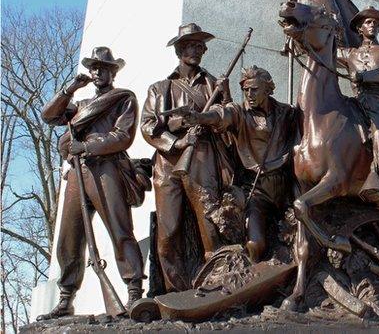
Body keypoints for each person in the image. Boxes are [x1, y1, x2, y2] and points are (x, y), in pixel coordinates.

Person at [37, 47, 145, 319]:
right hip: (77, 172)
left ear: (113, 72)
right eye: (94, 67)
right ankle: (66, 298)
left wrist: (84, 145)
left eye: (104, 67)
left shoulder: (123, 99)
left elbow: (123, 137)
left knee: (120, 229)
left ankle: (134, 291)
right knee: (69, 237)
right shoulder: (80, 107)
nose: (98, 72)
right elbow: (48, 115)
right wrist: (70, 88)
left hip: (107, 168)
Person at [140, 23, 233, 292]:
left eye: (200, 46)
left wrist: (225, 97)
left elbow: (228, 122)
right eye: (190, 45)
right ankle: (176, 291)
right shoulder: (160, 88)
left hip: (203, 157)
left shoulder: (213, 84)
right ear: (179, 50)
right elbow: (148, 125)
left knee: (210, 224)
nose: (196, 50)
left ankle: (217, 283)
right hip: (169, 162)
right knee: (168, 232)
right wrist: (177, 139)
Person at [185, 66, 301, 262]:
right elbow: (222, 115)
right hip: (257, 192)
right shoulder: (239, 112)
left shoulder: (286, 113)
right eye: (246, 90)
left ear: (268, 89)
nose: (249, 94)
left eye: (254, 89)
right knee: (255, 244)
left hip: (286, 188)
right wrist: (199, 118)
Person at [337, 6, 379, 211]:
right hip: (357, 102)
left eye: (376, 23)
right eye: (368, 22)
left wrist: (364, 76)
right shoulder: (349, 53)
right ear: (359, 28)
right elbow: (322, 47)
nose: (372, 25)